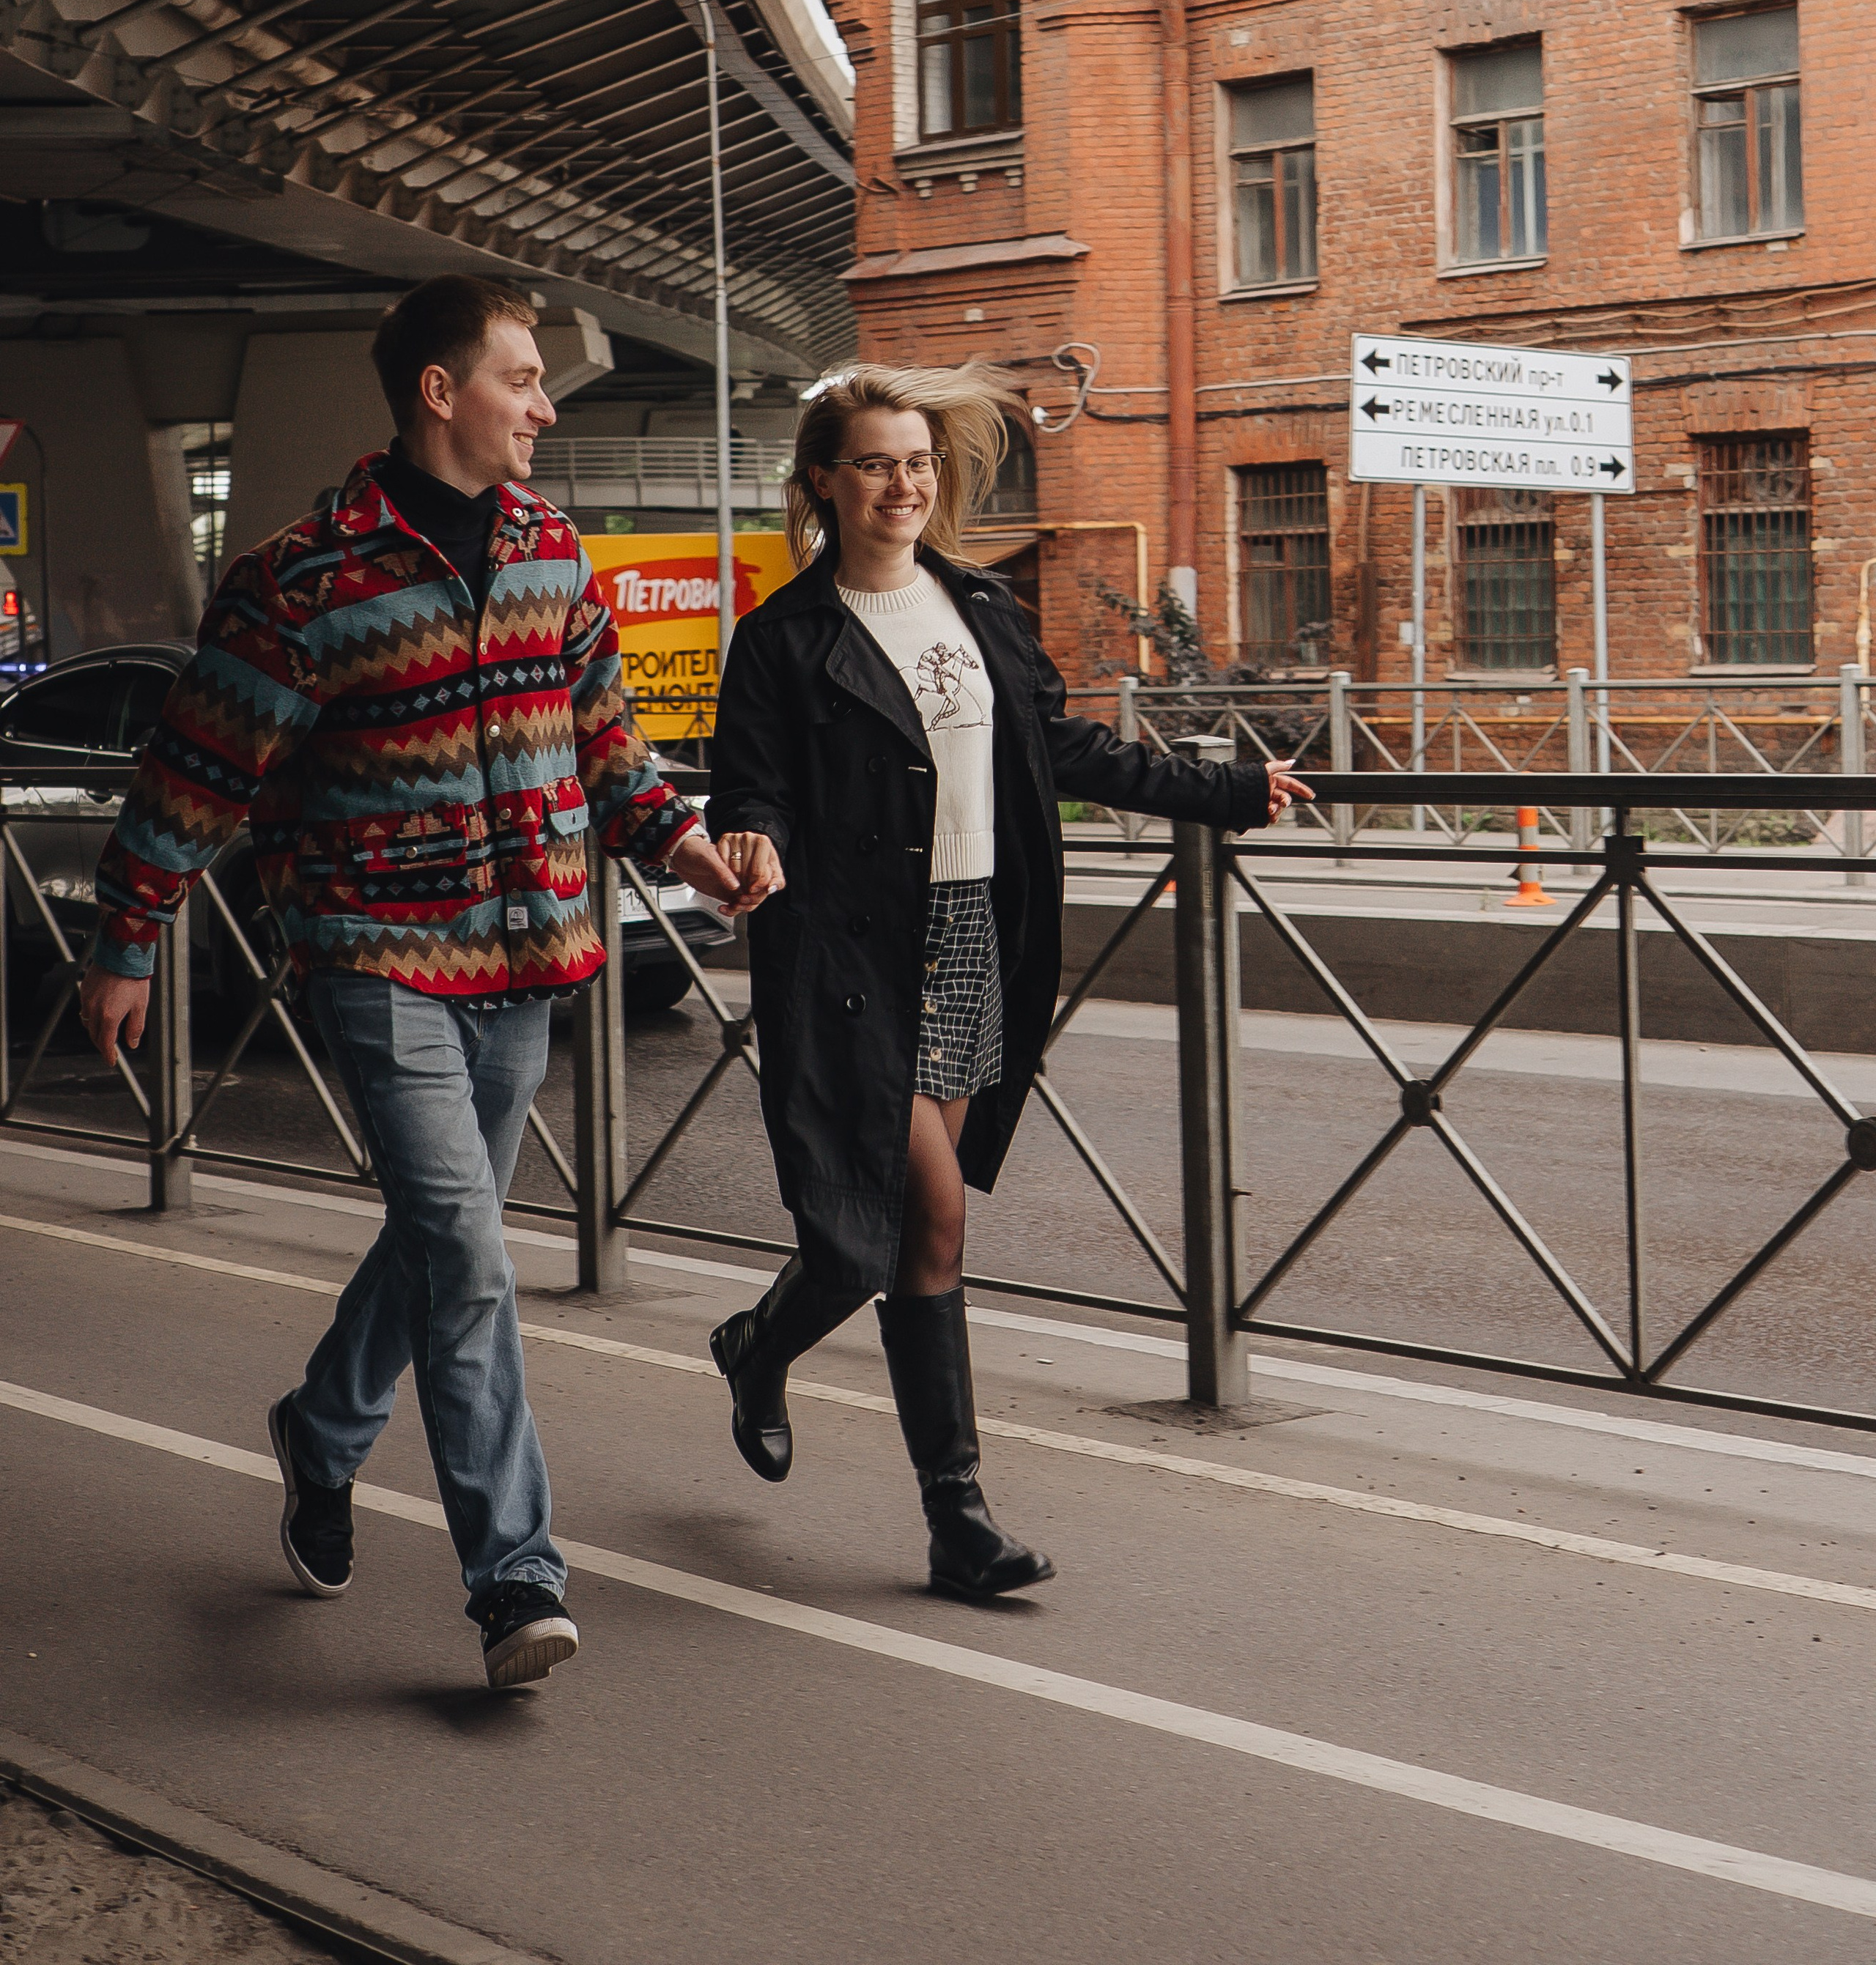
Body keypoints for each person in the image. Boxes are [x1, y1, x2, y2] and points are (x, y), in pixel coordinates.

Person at [77, 276, 761, 1690]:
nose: (547, 404)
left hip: (529, 959)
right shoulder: (306, 578)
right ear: (443, 392)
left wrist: (687, 849)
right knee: (468, 1258)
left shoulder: (554, 553)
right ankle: (515, 1581)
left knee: (440, 1243)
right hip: (378, 957)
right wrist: (130, 933)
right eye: (525, 376)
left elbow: (607, 747)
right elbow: (198, 768)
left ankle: (321, 1430)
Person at [704, 363, 1308, 1599]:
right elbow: (752, 783)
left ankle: (762, 1346)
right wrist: (753, 833)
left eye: (919, 462)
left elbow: (1064, 743)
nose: (903, 484)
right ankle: (958, 1515)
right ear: (826, 481)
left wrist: (1225, 791)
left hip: (974, 930)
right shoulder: (783, 638)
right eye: (875, 462)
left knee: (885, 1224)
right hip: (850, 951)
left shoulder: (977, 607)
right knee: (918, 1218)